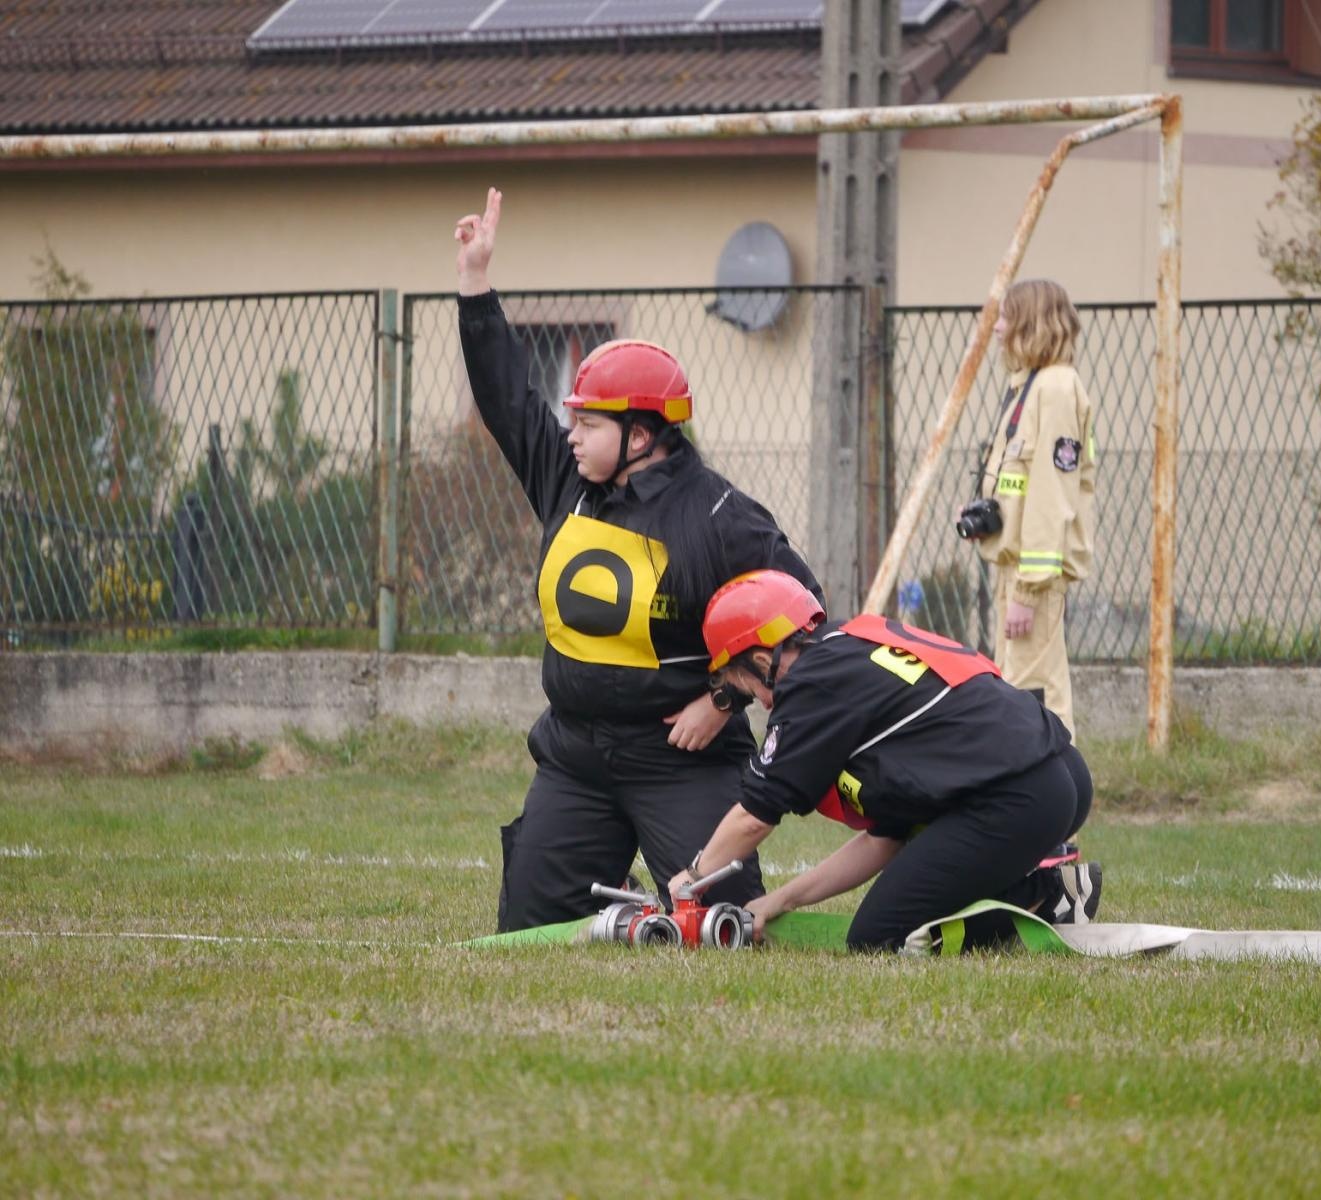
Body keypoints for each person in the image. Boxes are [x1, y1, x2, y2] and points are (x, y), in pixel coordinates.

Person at [454, 188, 822, 931]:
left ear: (645, 433)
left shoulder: (720, 516)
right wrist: (476, 283)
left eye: (588, 423)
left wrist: (724, 701)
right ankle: (612, 882)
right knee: (531, 935)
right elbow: (505, 399)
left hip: (678, 761)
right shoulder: (566, 478)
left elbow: (803, 620)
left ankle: (656, 886)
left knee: (716, 926)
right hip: (573, 757)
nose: (571, 434)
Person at [666, 570, 1098, 953]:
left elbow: (754, 817)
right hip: (1060, 774)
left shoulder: (811, 686)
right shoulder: (847, 647)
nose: (757, 702)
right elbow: (883, 839)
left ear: (761, 660)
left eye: (743, 685)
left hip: (1020, 797)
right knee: (896, 909)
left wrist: (693, 874)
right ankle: (1038, 885)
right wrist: (781, 900)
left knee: (878, 938)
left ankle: (1044, 893)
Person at [959, 278, 1096, 738]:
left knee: (1033, 700)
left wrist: (1029, 592)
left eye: (1005, 317)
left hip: (1030, 580)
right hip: (1014, 572)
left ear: (1030, 323)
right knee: (1019, 696)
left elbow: (1051, 499)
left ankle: (1051, 800)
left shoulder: (1055, 389)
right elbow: (1021, 486)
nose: (996, 328)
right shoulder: (1030, 387)